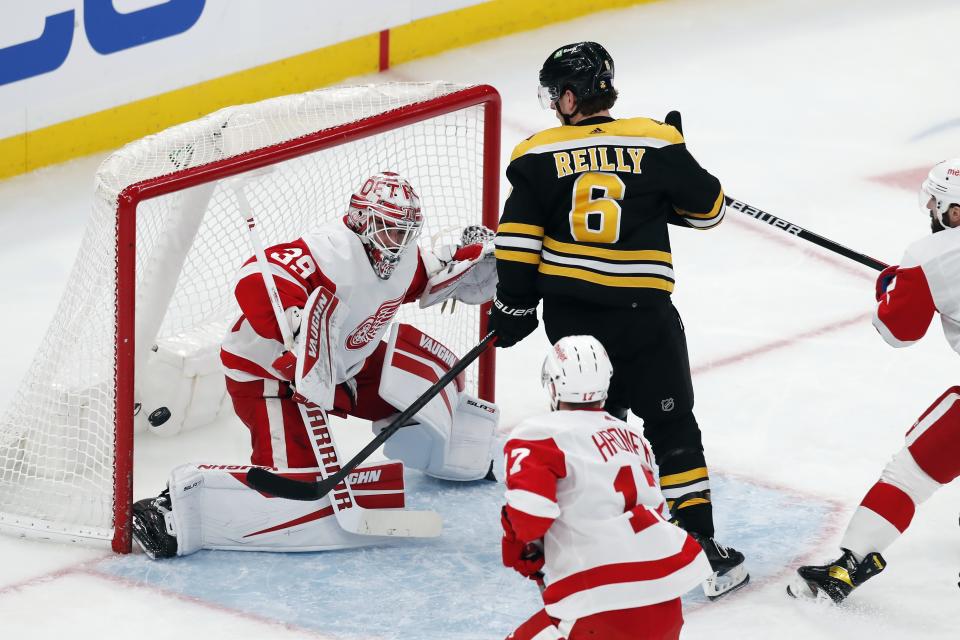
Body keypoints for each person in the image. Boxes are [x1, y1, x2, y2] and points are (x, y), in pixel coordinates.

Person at [488, 41, 747, 598]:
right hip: (645, 318)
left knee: (591, 427)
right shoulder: (656, 140)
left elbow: (517, 241)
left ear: (570, 96)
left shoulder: (535, 152)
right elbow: (709, 211)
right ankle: (700, 545)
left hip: (573, 320)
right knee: (673, 426)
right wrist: (677, 163)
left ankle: (598, 540)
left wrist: (514, 303)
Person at [131, 171, 500, 559]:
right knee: (294, 487)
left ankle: (461, 455)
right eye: (391, 230)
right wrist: (290, 320)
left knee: (423, 390)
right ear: (362, 220)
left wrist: (468, 262)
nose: (401, 241)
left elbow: (427, 273)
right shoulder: (330, 251)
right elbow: (256, 276)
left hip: (344, 365)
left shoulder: (401, 257)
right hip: (269, 376)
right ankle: (170, 510)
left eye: (407, 231)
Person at [788, 158, 960, 603]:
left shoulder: (929, 256)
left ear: (952, 210)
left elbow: (898, 332)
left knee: (910, 474)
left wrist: (892, 290)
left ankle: (852, 562)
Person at [501, 335, 712, 640]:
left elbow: (530, 517)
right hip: (666, 603)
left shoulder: (539, 434)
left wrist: (518, 541)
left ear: (552, 384)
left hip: (600, 604)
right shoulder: (633, 439)